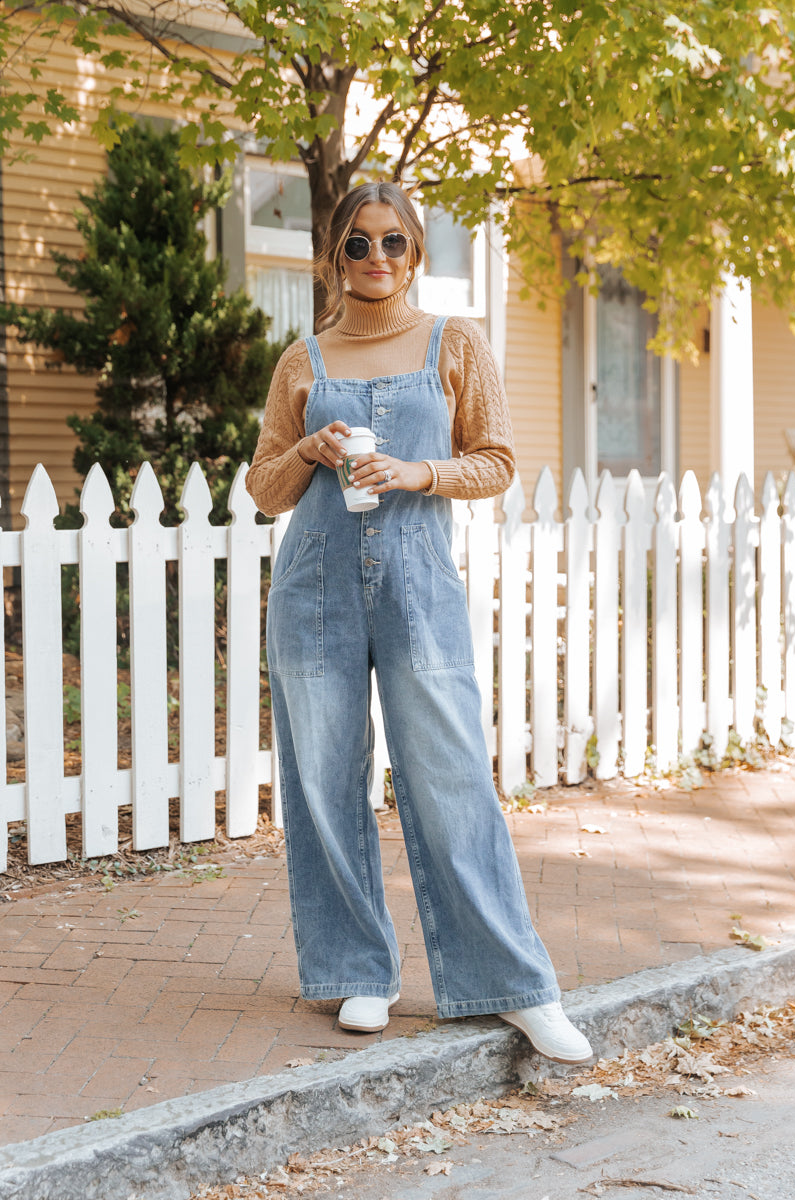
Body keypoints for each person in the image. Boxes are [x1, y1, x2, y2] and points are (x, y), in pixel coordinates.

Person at [245, 181, 592, 1064]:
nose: (375, 260)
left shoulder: (454, 342)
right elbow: (262, 492)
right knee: (323, 780)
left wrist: (417, 474)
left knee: (449, 776)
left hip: (418, 584)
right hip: (315, 587)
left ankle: (515, 984)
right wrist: (308, 450)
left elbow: (499, 460)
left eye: (392, 243)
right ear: (335, 255)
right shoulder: (303, 360)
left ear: (416, 252)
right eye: (357, 244)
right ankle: (361, 969)